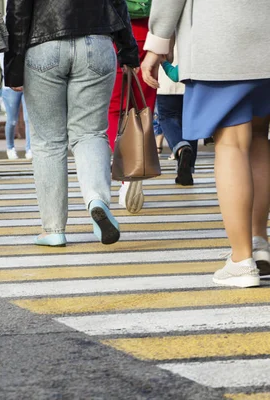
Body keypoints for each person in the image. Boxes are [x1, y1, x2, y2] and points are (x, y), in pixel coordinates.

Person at [141, 0, 270, 287]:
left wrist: (157, 43)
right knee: (260, 136)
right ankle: (259, 241)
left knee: (233, 143)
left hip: (222, 39)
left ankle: (241, 259)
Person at [5, 0, 140, 247]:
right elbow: (117, 3)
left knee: (48, 142)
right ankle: (97, 201)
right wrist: (128, 49)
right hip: (98, 43)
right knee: (90, 133)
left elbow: (18, 10)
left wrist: (13, 64)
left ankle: (53, 229)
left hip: (43, 46)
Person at [110, 15, 157, 214]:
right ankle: (140, 164)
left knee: (114, 111)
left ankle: (127, 175)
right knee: (142, 111)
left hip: (113, 36)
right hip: (148, 36)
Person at [156, 50, 198, 186]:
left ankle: (180, 147)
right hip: (193, 84)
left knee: (166, 118)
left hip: (167, 84)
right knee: (190, 124)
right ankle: (187, 171)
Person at [0, 51, 31, 160]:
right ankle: (10, 147)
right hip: (10, 85)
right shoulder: (4, 44)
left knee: (28, 119)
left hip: (27, 83)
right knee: (12, 120)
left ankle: (29, 148)